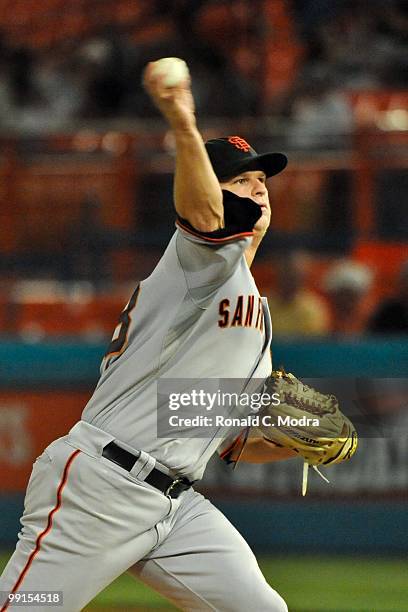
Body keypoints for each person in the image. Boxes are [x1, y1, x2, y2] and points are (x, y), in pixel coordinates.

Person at [0, 61, 293, 612]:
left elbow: (210, 431)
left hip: (175, 505)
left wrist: (283, 444)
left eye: (261, 180)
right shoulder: (203, 260)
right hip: (102, 488)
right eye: (240, 180)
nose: (257, 188)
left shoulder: (253, 304)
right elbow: (203, 213)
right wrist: (182, 120)